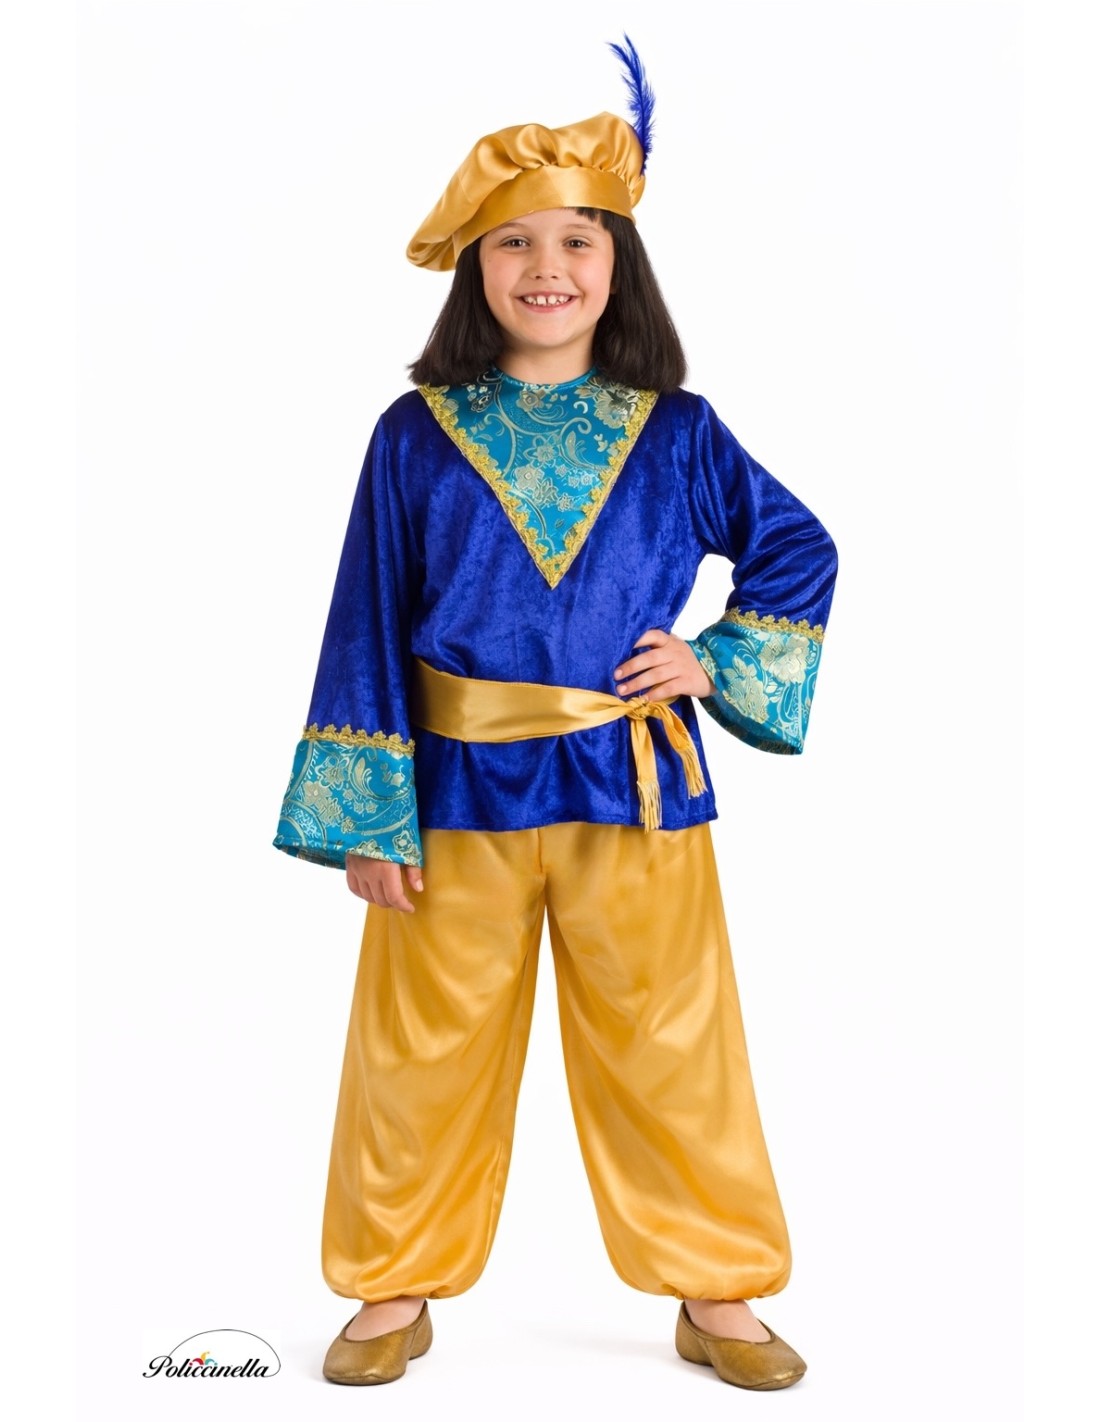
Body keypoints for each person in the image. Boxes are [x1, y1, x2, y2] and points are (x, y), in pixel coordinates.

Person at [273, 37, 837, 1391]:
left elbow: (798, 546)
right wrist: (366, 815)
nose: (547, 268)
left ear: (617, 264)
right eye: (514, 242)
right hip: (455, 791)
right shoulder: (415, 434)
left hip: (632, 784)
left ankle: (717, 1284)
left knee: (670, 1039)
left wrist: (712, 659)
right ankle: (394, 1280)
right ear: (475, 265)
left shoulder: (678, 431)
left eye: (578, 241)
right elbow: (365, 618)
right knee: (422, 1044)